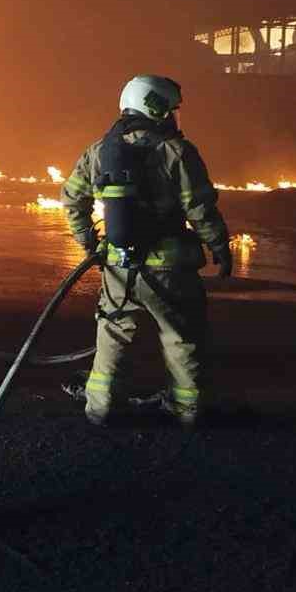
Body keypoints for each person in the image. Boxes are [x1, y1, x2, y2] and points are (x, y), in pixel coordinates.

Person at [59, 75, 231, 425]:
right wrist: (219, 245)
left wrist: (88, 241)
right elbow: (199, 208)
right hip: (170, 268)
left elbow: (72, 199)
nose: (174, 117)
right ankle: (187, 409)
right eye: (171, 110)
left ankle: (101, 408)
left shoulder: (99, 150)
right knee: (180, 337)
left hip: (118, 265)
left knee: (112, 333)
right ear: (156, 108)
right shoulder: (177, 152)